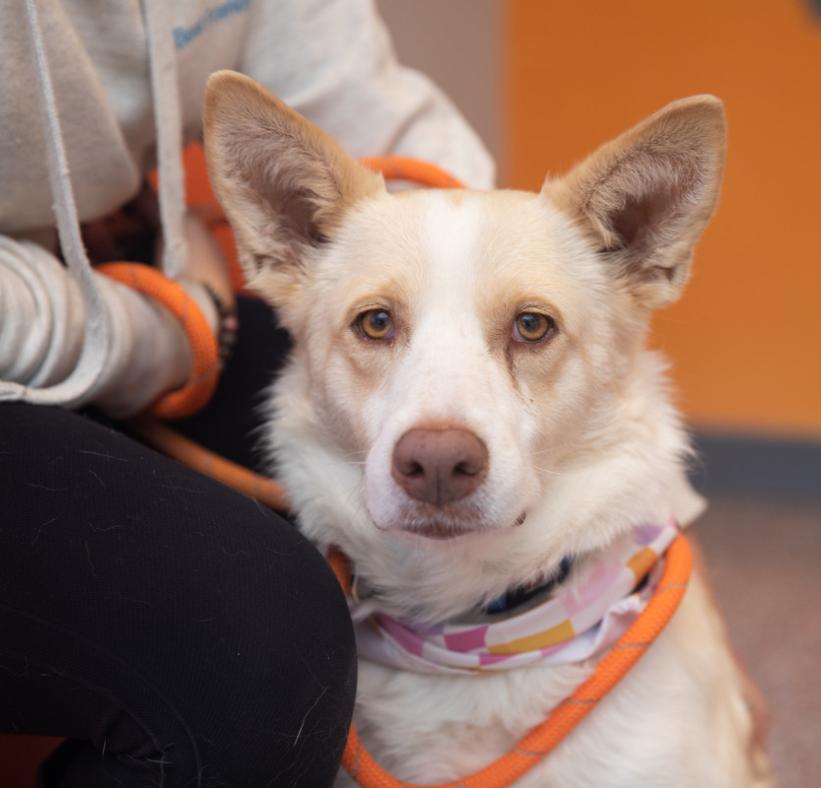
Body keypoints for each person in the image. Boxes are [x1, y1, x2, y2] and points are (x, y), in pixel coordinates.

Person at [0, 1, 494, 786]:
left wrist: (637, 551)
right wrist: (164, 329)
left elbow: (400, 145)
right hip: (111, 307)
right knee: (255, 649)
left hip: (89, 280)